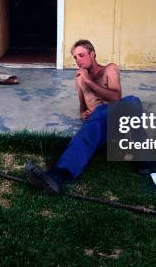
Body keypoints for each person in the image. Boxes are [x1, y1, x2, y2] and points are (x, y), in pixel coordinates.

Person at [24, 39, 143, 194]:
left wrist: (89, 81)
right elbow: (83, 104)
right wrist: (83, 113)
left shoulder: (109, 69)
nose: (78, 60)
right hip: (98, 122)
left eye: (81, 55)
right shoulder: (79, 77)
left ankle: (144, 159)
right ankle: (56, 177)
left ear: (92, 54)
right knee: (85, 134)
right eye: (75, 58)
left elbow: (116, 98)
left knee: (132, 101)